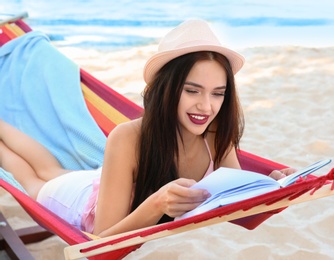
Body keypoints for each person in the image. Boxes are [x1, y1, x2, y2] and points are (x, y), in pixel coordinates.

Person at [0, 19, 294, 237]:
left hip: (106, 186)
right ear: (167, 89)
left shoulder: (217, 136)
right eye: (193, 91)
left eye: (218, 93)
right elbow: (100, 241)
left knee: (51, 168)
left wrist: (275, 185)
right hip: (77, 202)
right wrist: (157, 205)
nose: (206, 106)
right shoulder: (128, 137)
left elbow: (238, 199)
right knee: (34, 179)